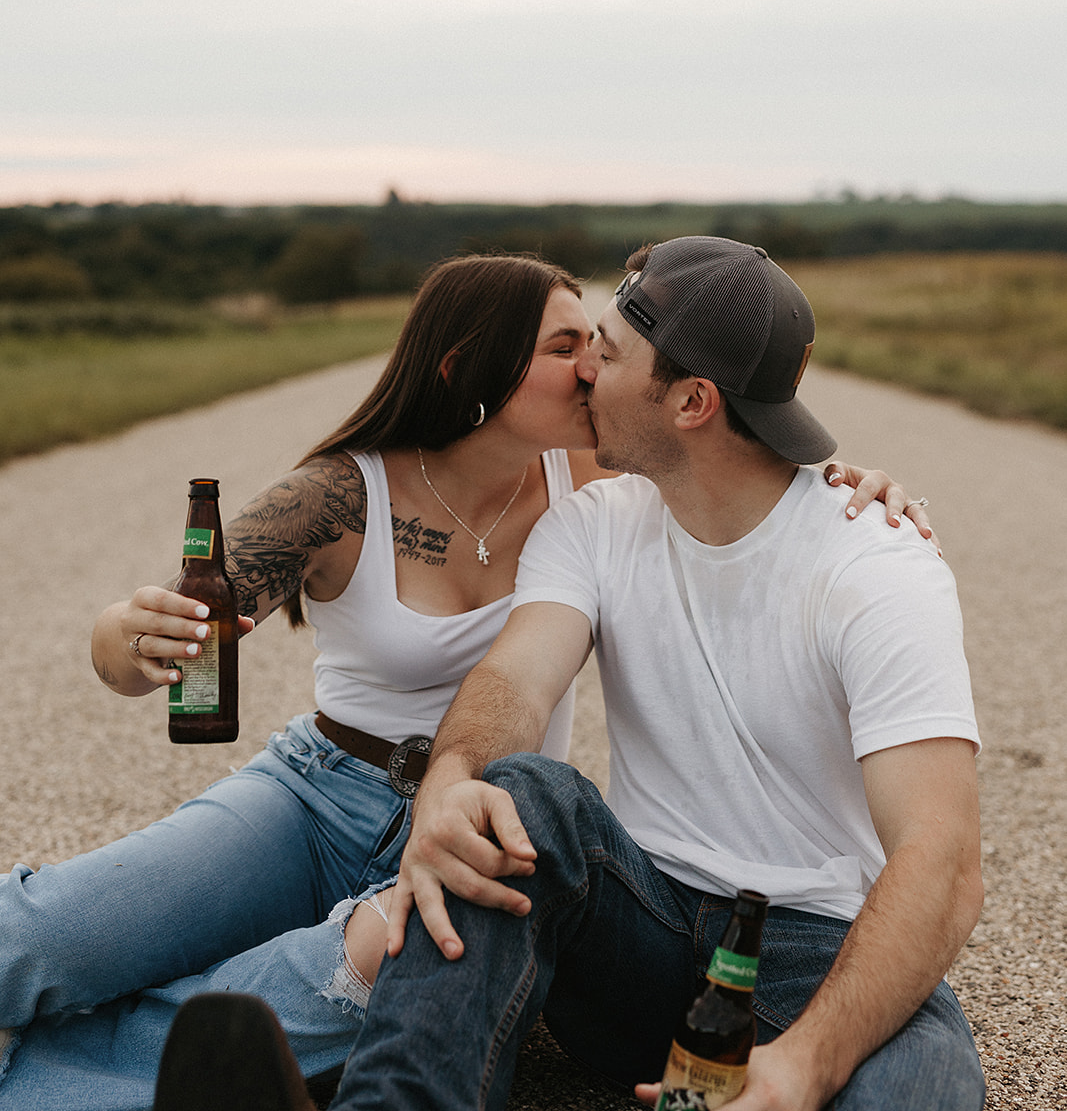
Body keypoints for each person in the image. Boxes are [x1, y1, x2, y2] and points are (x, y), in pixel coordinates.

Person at [0, 249, 923, 1109]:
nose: (591, 369)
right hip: (318, 801)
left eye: (592, 345)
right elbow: (168, 632)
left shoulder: (593, 476)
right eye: (564, 348)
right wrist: (123, 634)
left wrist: (844, 484)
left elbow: (725, 452)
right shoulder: (338, 494)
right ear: (464, 370)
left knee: (315, 997)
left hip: (468, 819)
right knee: (52, 939)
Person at [308, 237, 983, 1111]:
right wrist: (448, 777)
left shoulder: (875, 566)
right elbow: (516, 678)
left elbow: (942, 860)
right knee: (516, 793)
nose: (583, 369)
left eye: (611, 353)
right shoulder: (594, 522)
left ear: (693, 402)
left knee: (926, 1084)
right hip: (635, 929)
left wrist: (805, 1063)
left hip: (810, 956)